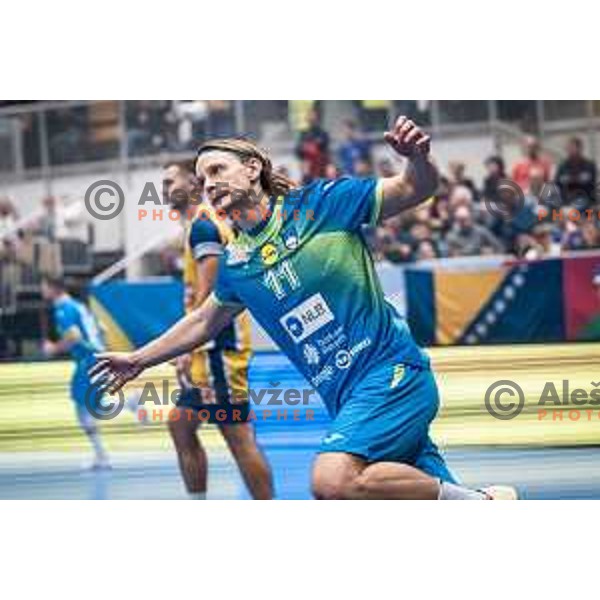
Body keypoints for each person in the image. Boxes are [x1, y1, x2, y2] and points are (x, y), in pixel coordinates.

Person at [91, 116, 517, 500]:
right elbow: (203, 319)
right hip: (346, 399)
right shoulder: (238, 262)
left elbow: (413, 188)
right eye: (202, 180)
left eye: (218, 170)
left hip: (393, 374)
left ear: (253, 169)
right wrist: (138, 359)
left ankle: (483, 503)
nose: (209, 184)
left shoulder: (323, 204)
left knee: (332, 480)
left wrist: (417, 160)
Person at [162, 160, 273, 499]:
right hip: (207, 351)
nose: (165, 189)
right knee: (180, 422)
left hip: (217, 351)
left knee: (237, 436)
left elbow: (207, 296)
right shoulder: (202, 224)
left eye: (171, 181)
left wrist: (185, 346)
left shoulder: (205, 227)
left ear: (193, 185)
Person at [41, 277, 110, 469]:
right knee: (92, 408)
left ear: (54, 288)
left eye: (44, 286)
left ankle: (102, 456)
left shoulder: (64, 309)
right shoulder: (79, 306)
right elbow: (102, 329)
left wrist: (54, 348)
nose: (42, 290)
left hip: (88, 361)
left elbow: (74, 336)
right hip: (96, 357)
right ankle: (101, 456)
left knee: (84, 410)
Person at [555, 137, 597, 209]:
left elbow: (589, 184)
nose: (569, 150)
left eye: (572, 148)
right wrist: (576, 180)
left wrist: (570, 180)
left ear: (580, 148)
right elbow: (558, 183)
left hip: (585, 198)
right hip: (567, 199)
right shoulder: (563, 167)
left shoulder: (589, 165)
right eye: (568, 148)